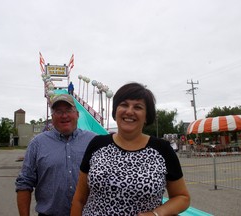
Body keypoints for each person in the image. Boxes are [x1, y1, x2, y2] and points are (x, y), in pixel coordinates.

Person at [71, 82, 190, 216]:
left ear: (146, 116)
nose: (129, 111)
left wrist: (157, 214)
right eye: (124, 105)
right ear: (115, 111)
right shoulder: (97, 144)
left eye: (138, 107)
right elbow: (79, 199)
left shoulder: (162, 150)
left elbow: (182, 197)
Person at [15, 94, 96, 216]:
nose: (64, 115)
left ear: (77, 114)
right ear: (52, 117)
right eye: (58, 111)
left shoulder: (94, 141)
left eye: (69, 110)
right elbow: (24, 183)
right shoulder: (37, 144)